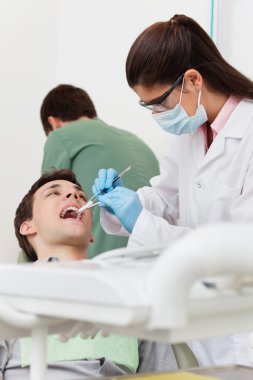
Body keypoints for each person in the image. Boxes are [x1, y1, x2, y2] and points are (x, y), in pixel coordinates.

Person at [92, 15, 253, 369]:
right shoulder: (192, 133)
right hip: (203, 325)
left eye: (159, 104)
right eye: (147, 106)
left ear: (193, 80)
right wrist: (128, 203)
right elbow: (165, 199)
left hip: (244, 330)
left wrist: (142, 224)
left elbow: (240, 250)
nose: (158, 115)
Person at [0, 169, 177, 380]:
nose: (74, 196)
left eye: (81, 195)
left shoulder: (132, 287)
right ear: (27, 226)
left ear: (91, 234)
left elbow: (164, 374)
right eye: (53, 193)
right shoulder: (9, 287)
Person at [40, 84, 160, 259]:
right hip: (153, 259)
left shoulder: (59, 136)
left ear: (53, 122)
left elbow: (43, 212)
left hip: (97, 263)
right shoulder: (138, 142)